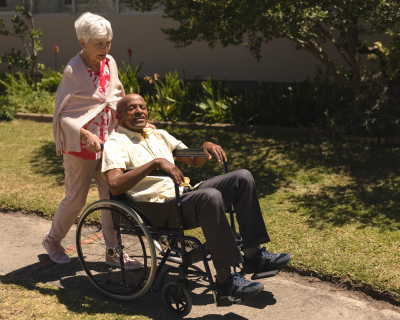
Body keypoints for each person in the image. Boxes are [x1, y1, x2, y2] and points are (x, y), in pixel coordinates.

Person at [101, 93, 292, 300]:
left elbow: (193, 159)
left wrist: (205, 147)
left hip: (185, 194)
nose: (139, 111)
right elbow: (115, 185)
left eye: (142, 107)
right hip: (159, 206)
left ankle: (254, 255)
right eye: (131, 108)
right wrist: (155, 164)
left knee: (242, 177)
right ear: (119, 116)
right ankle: (225, 281)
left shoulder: (159, 135)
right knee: (209, 196)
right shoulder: (116, 142)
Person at [42, 13, 154, 268]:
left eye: (108, 42)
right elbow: (63, 115)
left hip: (109, 146)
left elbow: (115, 98)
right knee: (76, 200)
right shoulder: (73, 70)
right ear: (83, 42)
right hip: (80, 149)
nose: (105, 49)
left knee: (112, 198)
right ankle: (52, 240)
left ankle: (113, 252)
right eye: (99, 43)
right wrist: (84, 133)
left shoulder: (111, 62)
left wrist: (137, 122)